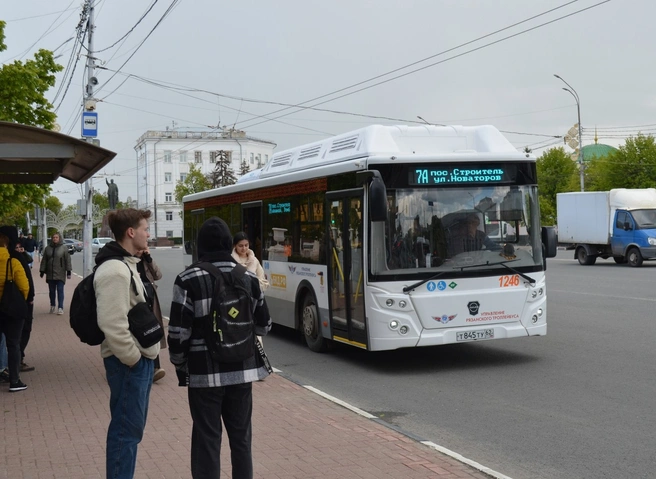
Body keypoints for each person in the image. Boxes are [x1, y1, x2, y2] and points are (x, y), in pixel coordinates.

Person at [168, 217, 272, 479]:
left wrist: (180, 363)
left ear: (200, 245)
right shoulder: (248, 278)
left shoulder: (187, 279)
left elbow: (178, 333)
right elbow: (265, 324)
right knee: (241, 440)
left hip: (204, 375)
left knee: (207, 441)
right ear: (229, 244)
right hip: (243, 371)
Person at [94, 208, 159, 479]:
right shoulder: (115, 271)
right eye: (145, 228)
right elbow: (112, 323)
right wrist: (133, 358)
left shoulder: (126, 264)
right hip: (129, 364)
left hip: (138, 363)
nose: (148, 233)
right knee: (125, 433)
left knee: (131, 431)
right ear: (131, 232)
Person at [0, 231, 30, 392]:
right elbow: (24, 287)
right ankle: (14, 381)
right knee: (13, 345)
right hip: (11, 310)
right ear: (6, 245)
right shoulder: (13, 262)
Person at [135, 247, 167, 383]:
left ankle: (155, 368)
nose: (143, 249)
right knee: (140, 332)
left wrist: (148, 258)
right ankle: (143, 367)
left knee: (152, 330)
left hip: (150, 299)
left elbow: (158, 275)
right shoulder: (126, 261)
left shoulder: (145, 260)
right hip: (136, 302)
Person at [39, 232, 72, 315]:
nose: (55, 239)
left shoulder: (64, 248)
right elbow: (44, 260)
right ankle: (52, 305)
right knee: (51, 291)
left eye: (56, 237)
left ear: (59, 238)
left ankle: (60, 307)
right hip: (50, 273)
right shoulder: (48, 248)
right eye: (53, 237)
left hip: (60, 272)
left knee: (60, 290)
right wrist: (42, 271)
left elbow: (67, 259)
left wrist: (68, 271)